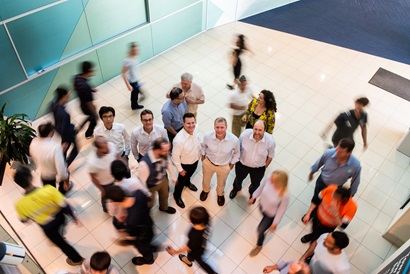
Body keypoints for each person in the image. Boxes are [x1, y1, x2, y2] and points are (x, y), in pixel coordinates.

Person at [13, 166, 84, 266]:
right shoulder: (49, 190)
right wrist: (74, 217)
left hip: (47, 227)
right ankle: (62, 235)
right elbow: (64, 206)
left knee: (61, 244)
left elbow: (24, 220)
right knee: (61, 228)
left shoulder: (20, 205)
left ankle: (77, 259)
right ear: (31, 178)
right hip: (60, 218)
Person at [302, 138, 361, 222]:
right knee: (316, 197)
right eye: (337, 149)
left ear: (349, 153)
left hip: (336, 189)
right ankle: (311, 213)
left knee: (328, 203)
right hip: (322, 182)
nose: (337, 152)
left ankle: (320, 215)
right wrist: (311, 173)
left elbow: (355, 181)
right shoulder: (329, 153)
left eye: (341, 152)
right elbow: (319, 163)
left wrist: (350, 195)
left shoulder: (355, 166)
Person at [105, 185, 155, 266]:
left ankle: (149, 259)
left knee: (143, 248)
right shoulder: (138, 193)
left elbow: (133, 235)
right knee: (149, 238)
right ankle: (150, 247)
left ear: (115, 202)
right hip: (149, 223)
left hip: (141, 235)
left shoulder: (131, 221)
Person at [229, 120, 276, 200]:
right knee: (238, 179)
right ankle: (236, 189)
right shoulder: (245, 135)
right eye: (255, 129)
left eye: (260, 130)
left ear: (265, 130)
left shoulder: (270, 141)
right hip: (242, 165)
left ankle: (253, 193)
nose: (257, 132)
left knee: (255, 183)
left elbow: (270, 155)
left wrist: (265, 166)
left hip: (258, 168)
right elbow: (238, 149)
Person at [248, 170, 290, 257]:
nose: (270, 180)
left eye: (273, 180)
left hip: (270, 215)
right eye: (271, 177)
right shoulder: (269, 178)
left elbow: (281, 210)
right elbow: (261, 188)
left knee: (260, 230)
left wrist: (275, 223)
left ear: (279, 183)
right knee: (262, 224)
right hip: (262, 206)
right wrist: (253, 197)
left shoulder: (285, 195)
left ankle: (259, 245)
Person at [200, 117, 240, 206]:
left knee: (221, 183)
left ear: (226, 127)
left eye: (222, 127)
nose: (219, 130)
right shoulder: (207, 136)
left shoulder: (234, 140)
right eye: (217, 127)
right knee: (206, 180)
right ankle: (205, 190)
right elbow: (203, 146)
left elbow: (237, 153)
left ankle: (220, 194)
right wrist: (203, 157)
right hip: (209, 163)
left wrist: (232, 164)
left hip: (224, 166)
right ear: (214, 127)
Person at [166, 206, 217, 274]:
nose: (189, 220)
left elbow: (188, 248)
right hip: (202, 246)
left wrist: (175, 252)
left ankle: (189, 262)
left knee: (197, 259)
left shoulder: (195, 235)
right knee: (199, 259)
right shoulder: (207, 221)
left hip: (195, 251)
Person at [107, 160, 150, 238]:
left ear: (111, 174)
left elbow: (112, 212)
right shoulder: (134, 181)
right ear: (125, 170)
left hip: (121, 217)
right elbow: (146, 193)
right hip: (137, 214)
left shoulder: (112, 193)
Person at [29, 123, 72, 194]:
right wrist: (66, 182)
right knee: (64, 175)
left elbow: (35, 154)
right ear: (49, 134)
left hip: (44, 174)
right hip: (53, 173)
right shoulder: (55, 148)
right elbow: (62, 171)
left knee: (50, 192)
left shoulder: (33, 142)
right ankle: (62, 191)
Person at [138, 137, 177, 214]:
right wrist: (147, 194)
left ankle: (164, 207)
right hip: (150, 186)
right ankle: (145, 213)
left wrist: (173, 177)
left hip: (163, 179)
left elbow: (168, 162)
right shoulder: (144, 164)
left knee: (165, 196)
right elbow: (142, 182)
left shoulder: (164, 153)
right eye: (165, 151)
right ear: (157, 150)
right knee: (150, 203)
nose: (167, 152)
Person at [172, 113, 201, 208]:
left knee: (189, 175)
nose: (191, 125)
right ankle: (177, 196)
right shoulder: (178, 140)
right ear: (183, 123)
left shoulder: (196, 128)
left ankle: (188, 183)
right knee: (180, 182)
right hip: (185, 165)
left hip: (195, 160)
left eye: (193, 122)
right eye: (188, 123)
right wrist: (180, 170)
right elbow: (175, 157)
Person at [50, 86, 78, 168]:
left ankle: (61, 162)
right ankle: (64, 165)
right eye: (67, 96)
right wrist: (72, 128)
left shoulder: (53, 104)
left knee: (64, 148)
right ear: (63, 97)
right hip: (67, 133)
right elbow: (65, 128)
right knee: (75, 149)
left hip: (58, 129)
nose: (68, 98)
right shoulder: (65, 114)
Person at [88, 136, 118, 212]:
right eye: (104, 149)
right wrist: (101, 189)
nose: (108, 149)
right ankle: (105, 208)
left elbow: (117, 156)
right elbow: (93, 178)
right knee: (105, 197)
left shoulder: (111, 146)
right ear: (98, 149)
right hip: (105, 184)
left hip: (115, 177)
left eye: (107, 144)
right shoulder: (92, 162)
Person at [74, 61, 98, 139]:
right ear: (89, 70)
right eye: (92, 70)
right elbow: (89, 103)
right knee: (94, 120)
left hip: (81, 103)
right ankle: (88, 134)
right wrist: (95, 113)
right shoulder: (85, 87)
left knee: (90, 117)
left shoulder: (77, 77)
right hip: (86, 107)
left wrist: (91, 89)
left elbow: (75, 87)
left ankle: (78, 129)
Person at [121, 42, 144, 110]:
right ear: (131, 50)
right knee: (134, 94)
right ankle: (134, 105)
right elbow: (123, 74)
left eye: (137, 50)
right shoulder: (127, 60)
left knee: (135, 92)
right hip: (132, 81)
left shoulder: (135, 58)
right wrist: (128, 85)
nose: (136, 52)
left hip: (135, 79)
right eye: (134, 50)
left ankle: (135, 103)